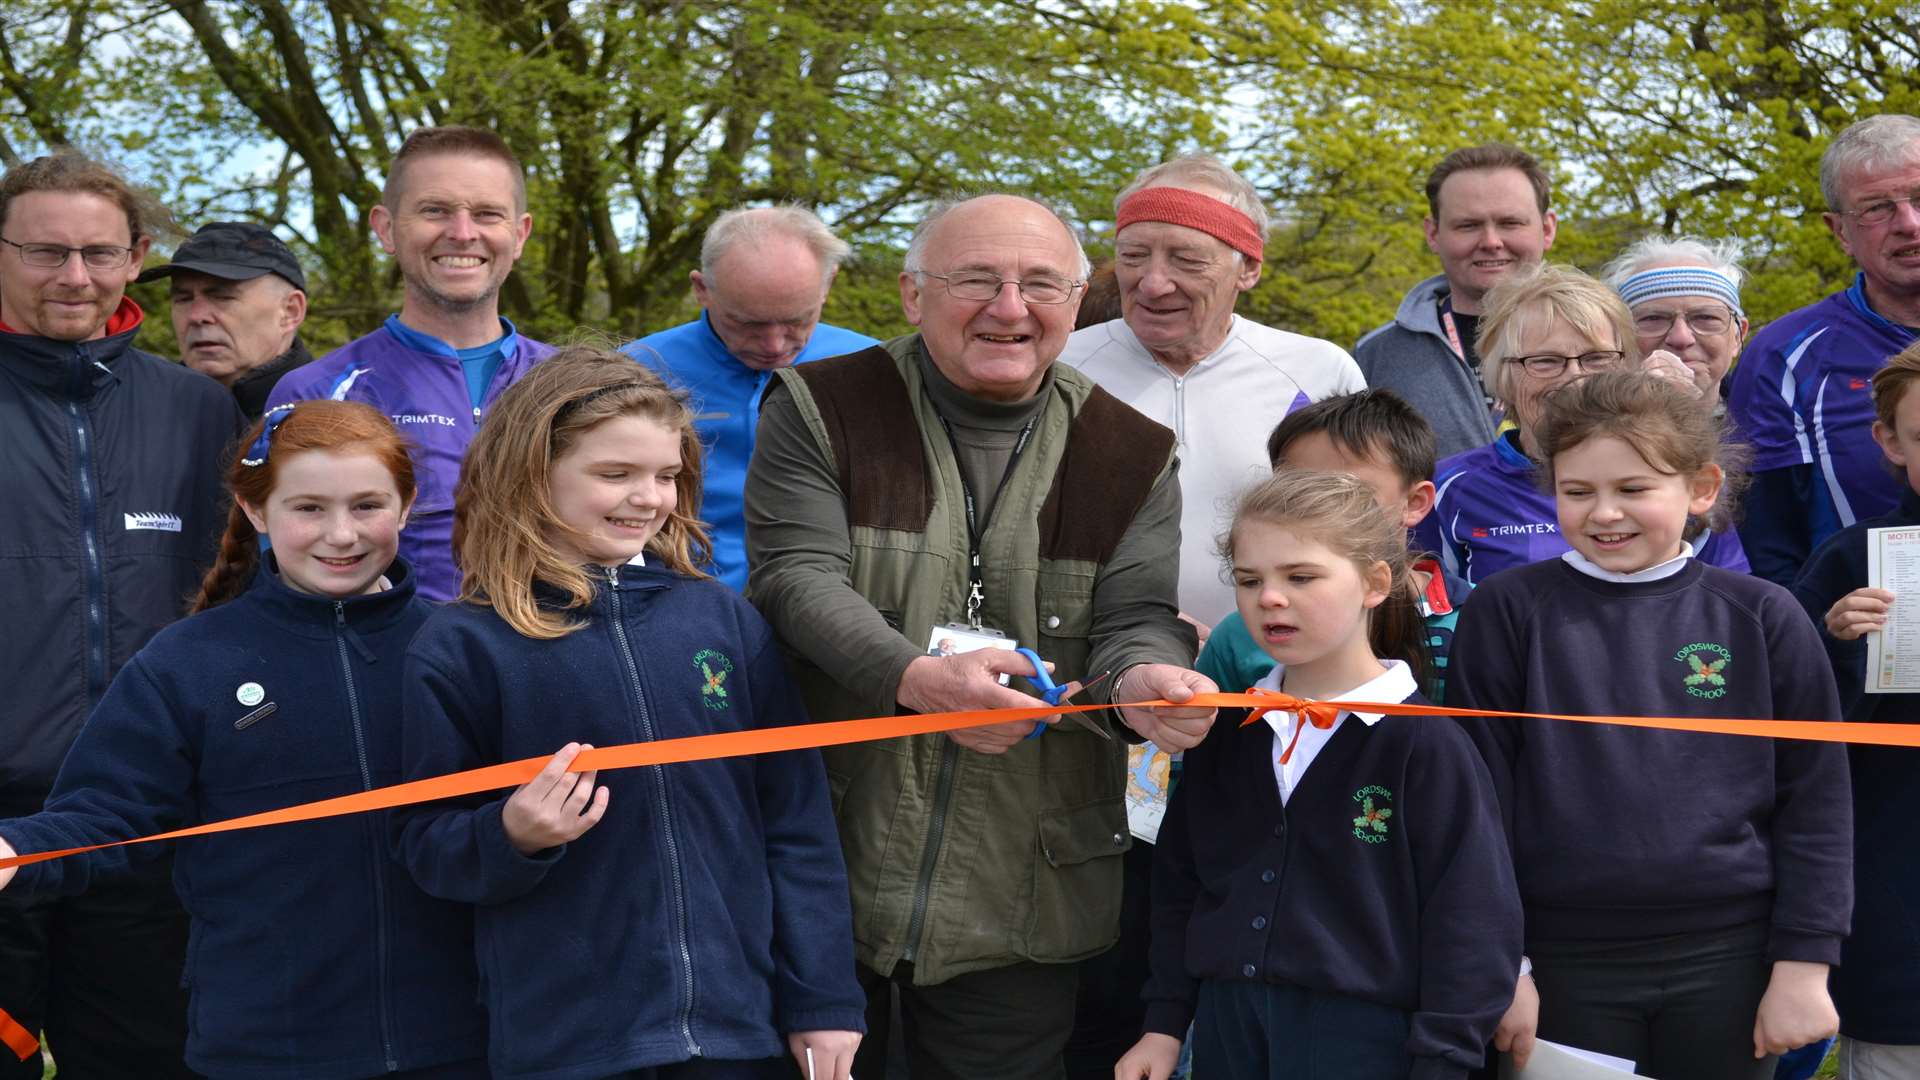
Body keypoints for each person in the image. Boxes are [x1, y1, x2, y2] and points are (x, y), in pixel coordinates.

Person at [744, 192, 1217, 1080]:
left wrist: (1146, 680)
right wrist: (916, 679)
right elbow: (793, 578)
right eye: (977, 280)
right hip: (824, 871)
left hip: (1027, 890)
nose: (1010, 307)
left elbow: (1134, 617)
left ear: (1076, 304)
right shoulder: (820, 406)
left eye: (1041, 283)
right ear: (912, 295)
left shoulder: (1133, 450)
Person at [396, 348, 865, 1079]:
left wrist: (824, 1000)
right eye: (614, 474)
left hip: (737, 1031)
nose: (647, 497)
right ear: (531, 471)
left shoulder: (722, 621)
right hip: (567, 1043)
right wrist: (509, 836)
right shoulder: (462, 645)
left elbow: (796, 823)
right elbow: (426, 844)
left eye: (666, 475)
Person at [0, 401, 486, 1078]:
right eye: (308, 508)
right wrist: (15, 850)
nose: (341, 535)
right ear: (257, 512)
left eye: (368, 505)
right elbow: (105, 815)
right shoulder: (187, 663)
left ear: (407, 507)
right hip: (266, 1045)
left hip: (461, 1037)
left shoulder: (464, 648)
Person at [1450, 370, 1850, 1080]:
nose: (1605, 513)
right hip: (1561, 962)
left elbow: (1816, 799)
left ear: (1699, 488)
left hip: (1731, 960)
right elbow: (1479, 808)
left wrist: (1804, 963)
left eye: (1633, 489)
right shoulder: (1507, 612)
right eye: (1578, 492)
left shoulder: (1763, 616)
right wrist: (1505, 968)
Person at [1119, 469, 1521, 1080]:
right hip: (1229, 1032)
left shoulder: (1428, 746)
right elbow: (1181, 884)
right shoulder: (1227, 732)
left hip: (1367, 1042)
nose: (1270, 598)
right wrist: (1164, 1023)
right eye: (1250, 580)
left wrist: (1444, 1058)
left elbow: (1471, 916)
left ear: (1374, 584)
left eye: (1300, 577)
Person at [0, 150, 241, 1079]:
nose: (75, 277)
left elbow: (236, 598)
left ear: (136, 256)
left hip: (146, 823)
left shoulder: (196, 410)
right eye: (45, 252)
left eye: (100, 253)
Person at [1061, 152, 1365, 629]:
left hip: (1272, 667)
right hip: (1095, 662)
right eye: (1133, 257)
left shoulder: (1318, 371)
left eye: (1187, 260)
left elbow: (1362, 534)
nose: (1154, 283)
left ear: (1248, 269)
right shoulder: (1059, 366)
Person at [267, 125, 555, 601]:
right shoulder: (316, 393)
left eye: (487, 213)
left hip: (554, 665)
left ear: (519, 234)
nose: (463, 234)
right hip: (390, 668)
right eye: (434, 211)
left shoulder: (575, 389)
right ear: (386, 228)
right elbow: (286, 581)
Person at [1414, 263, 1750, 583]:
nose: (1575, 379)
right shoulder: (1450, 488)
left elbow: (1727, 608)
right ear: (1502, 376)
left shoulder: (1672, 478)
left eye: (1595, 359)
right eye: (1545, 361)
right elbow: (1425, 618)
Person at [625, 206, 877, 589]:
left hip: (834, 604)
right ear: (701, 289)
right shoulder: (636, 370)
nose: (775, 346)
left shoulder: (873, 369)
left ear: (829, 283)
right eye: (747, 323)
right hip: (675, 599)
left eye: (798, 320)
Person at [1792, 340, 1920, 1080]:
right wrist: (1836, 646)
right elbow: (1796, 746)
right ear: (1890, 442)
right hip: (1898, 940)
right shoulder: (1852, 562)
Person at [1728, 114, 1920, 587]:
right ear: (1839, 232)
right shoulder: (1783, 357)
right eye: (1876, 208)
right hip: (1864, 647)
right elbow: (1768, 545)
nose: (1909, 224)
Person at [1199, 389, 1470, 703]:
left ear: (1415, 502)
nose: (1322, 509)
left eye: (1349, 491)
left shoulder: (1482, 618)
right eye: (1298, 491)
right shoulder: (1241, 636)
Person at [1355, 144, 1558, 459]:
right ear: (1434, 233)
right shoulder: (1376, 356)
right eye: (1468, 225)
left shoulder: (1603, 343)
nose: (1491, 241)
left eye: (1510, 223)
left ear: (1547, 229)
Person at [138, 220, 313, 418]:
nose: (197, 316)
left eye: (222, 297)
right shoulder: (139, 411)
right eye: (183, 299)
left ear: (290, 311)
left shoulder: (339, 420)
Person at [1601, 234, 1750, 403]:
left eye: (1706, 317)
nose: (1681, 338)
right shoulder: (1577, 423)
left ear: (1738, 337)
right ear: (1618, 338)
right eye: (1653, 318)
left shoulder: (1777, 421)